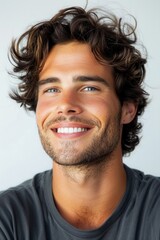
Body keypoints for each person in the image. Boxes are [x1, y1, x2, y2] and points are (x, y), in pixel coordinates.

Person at [0, 5, 159, 240]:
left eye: (89, 88)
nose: (66, 104)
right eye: (52, 89)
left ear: (127, 108)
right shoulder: (7, 219)